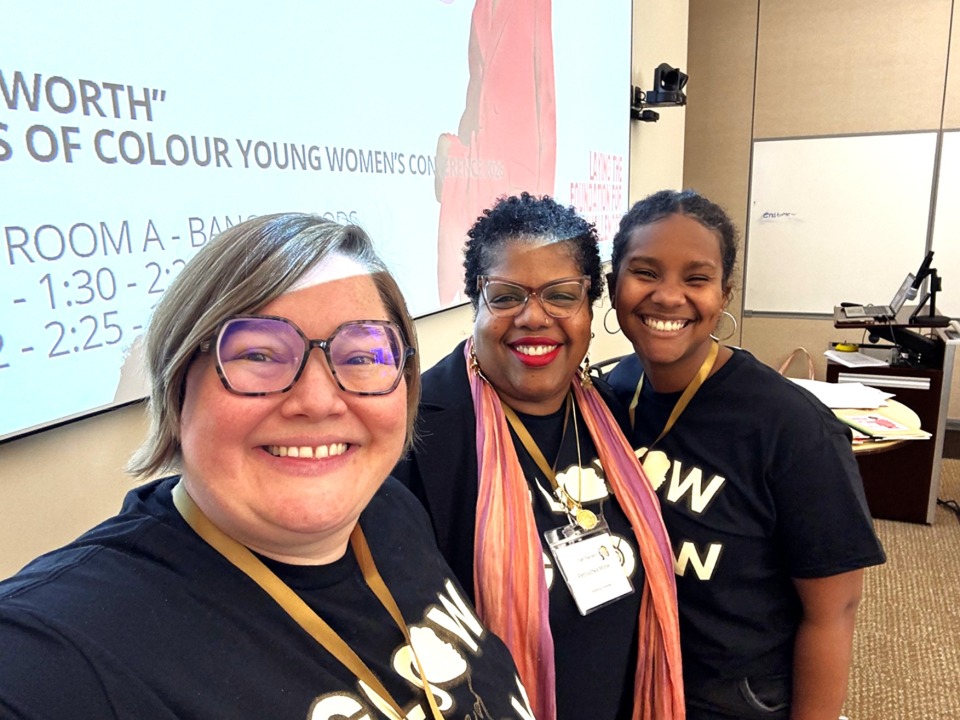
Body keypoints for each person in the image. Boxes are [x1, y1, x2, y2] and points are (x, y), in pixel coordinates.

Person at [0, 213, 534, 720]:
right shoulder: (57, 650)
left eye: (361, 356)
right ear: (178, 384)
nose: (318, 401)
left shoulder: (390, 509)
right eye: (258, 355)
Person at [393, 193, 684, 720]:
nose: (533, 317)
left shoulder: (610, 412)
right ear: (475, 303)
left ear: (590, 307)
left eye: (561, 295)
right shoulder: (419, 437)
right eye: (506, 296)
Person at [605, 189, 887, 720]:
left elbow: (834, 611)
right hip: (631, 675)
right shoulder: (612, 393)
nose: (669, 296)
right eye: (645, 272)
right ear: (613, 285)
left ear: (724, 295)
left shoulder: (792, 428)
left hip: (734, 696)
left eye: (697, 278)